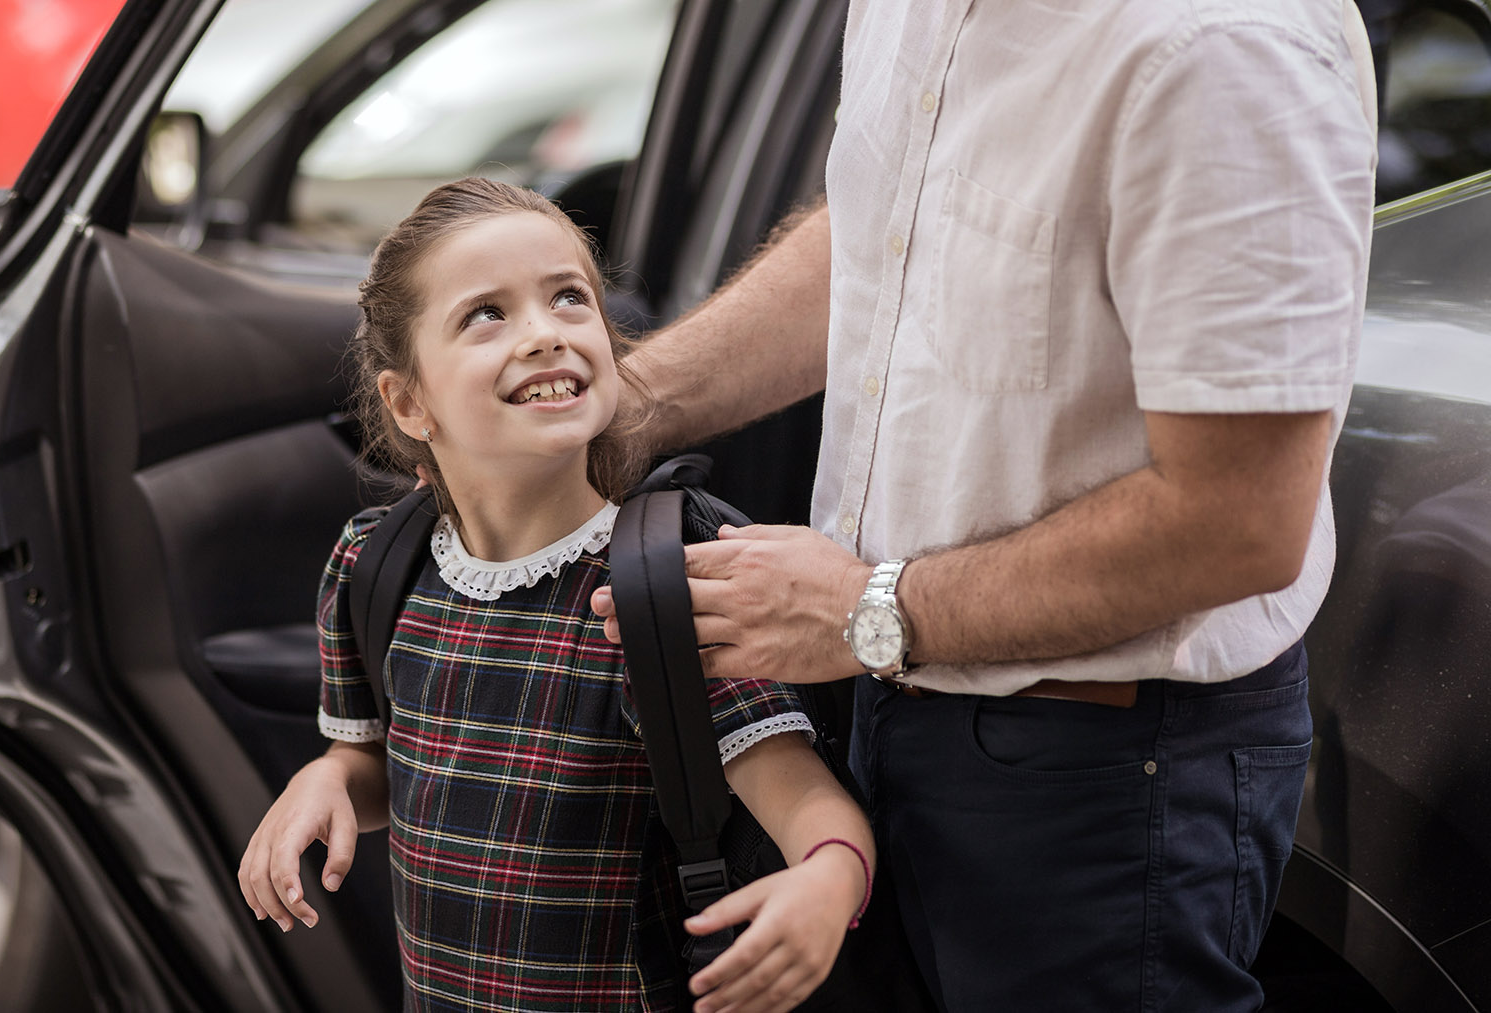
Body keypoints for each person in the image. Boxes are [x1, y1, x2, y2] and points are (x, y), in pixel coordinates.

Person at [589, 1, 1380, 1010]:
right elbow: (887, 230)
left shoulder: (1226, 50)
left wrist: (868, 610)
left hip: (1103, 771)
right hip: (892, 707)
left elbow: (1237, 520)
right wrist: (631, 409)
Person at [236, 177, 875, 1013]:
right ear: (408, 400)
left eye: (570, 298)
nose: (544, 334)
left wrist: (827, 880)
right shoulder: (375, 566)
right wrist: (325, 780)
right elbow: (373, 763)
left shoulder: (664, 582)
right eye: (486, 314)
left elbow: (812, 807)